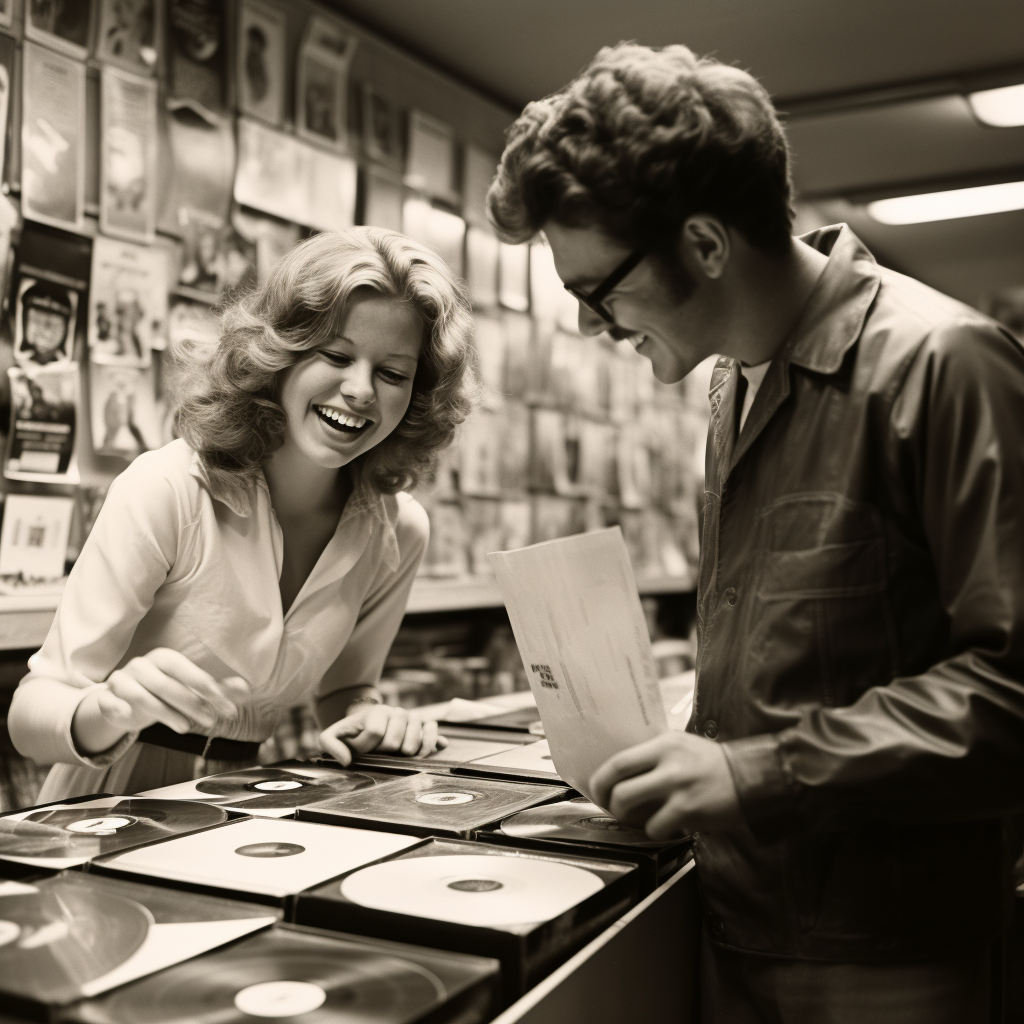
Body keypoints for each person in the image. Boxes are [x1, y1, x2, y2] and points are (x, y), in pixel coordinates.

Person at [488, 42, 1024, 1023]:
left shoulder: (945, 366)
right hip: (736, 914)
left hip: (885, 949)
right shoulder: (733, 381)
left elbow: (1011, 684)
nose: (592, 326)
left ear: (702, 244)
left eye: (597, 293)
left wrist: (754, 769)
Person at [9, 228, 476, 802]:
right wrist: (108, 708)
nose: (360, 390)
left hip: (246, 805)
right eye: (335, 355)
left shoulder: (399, 531)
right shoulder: (168, 488)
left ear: (417, 397)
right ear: (279, 351)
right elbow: (31, 711)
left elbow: (348, 690)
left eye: (393, 374)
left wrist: (375, 718)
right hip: (104, 807)